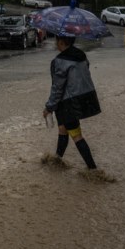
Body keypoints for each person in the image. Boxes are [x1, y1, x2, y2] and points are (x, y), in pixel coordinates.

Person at [42, 34, 102, 170]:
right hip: (85, 97)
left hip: (69, 102)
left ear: (61, 42)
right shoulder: (81, 55)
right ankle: (57, 161)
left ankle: (93, 170)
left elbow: (57, 87)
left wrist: (49, 107)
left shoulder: (59, 61)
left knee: (76, 135)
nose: (55, 43)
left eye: (56, 40)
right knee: (63, 129)